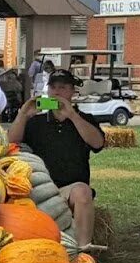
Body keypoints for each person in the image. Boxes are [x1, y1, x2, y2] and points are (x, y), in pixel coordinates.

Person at [7, 68, 105, 248]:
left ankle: (82, 253)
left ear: (72, 92)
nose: (57, 92)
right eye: (53, 87)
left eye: (63, 87)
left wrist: (72, 116)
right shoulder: (36, 122)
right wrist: (23, 114)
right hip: (40, 190)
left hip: (70, 190)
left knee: (83, 192)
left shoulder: (85, 119)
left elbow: (98, 143)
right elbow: (8, 143)